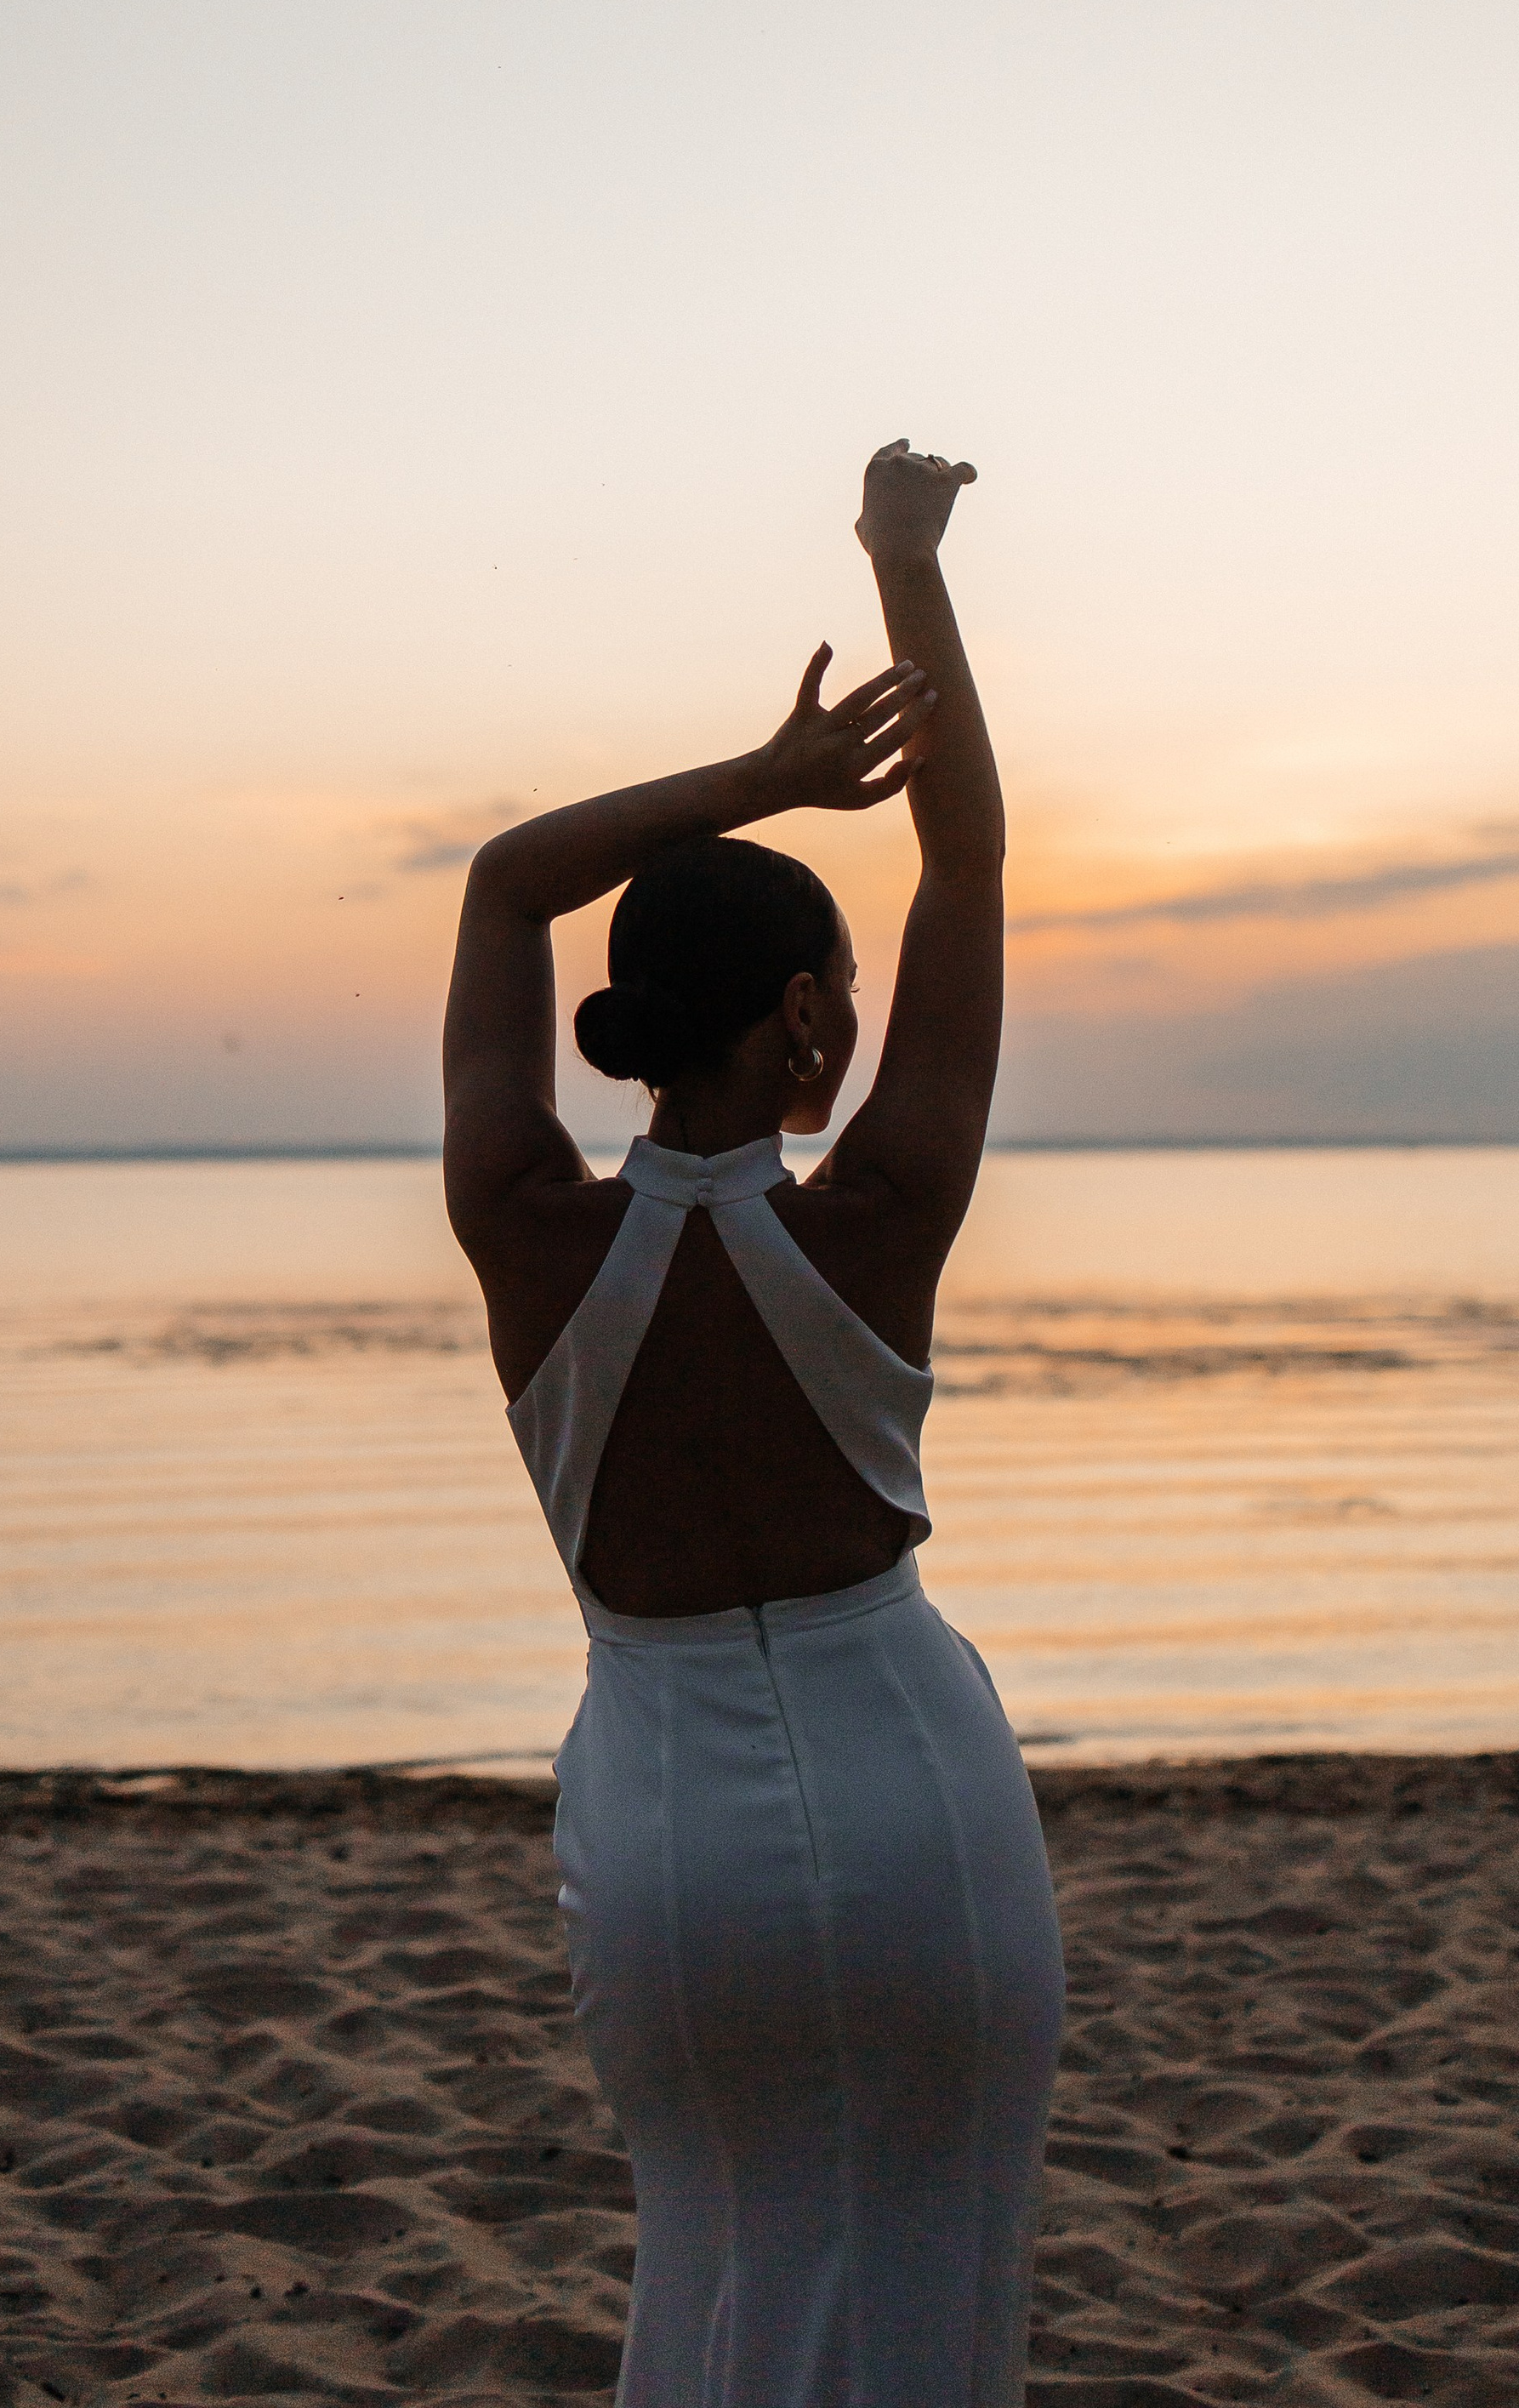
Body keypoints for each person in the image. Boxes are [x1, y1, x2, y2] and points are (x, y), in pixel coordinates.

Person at [441, 438, 1064, 2408]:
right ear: (801, 1020)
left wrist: (758, 781)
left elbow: (503, 881)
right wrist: (899, 566)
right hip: (911, 1790)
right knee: (930, 2260)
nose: (859, 1024)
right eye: (843, 997)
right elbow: (966, 854)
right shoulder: (875, 1222)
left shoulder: (523, 1232)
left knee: (715, 2254)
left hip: (663, 1818)